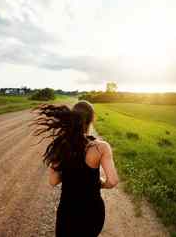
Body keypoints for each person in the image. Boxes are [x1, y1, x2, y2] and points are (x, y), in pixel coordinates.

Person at [31, 100, 119, 237]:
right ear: (91, 119)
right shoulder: (101, 147)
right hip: (93, 212)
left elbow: (53, 181)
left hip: (68, 213)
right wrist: (100, 183)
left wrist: (69, 172)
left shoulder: (61, 145)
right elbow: (112, 181)